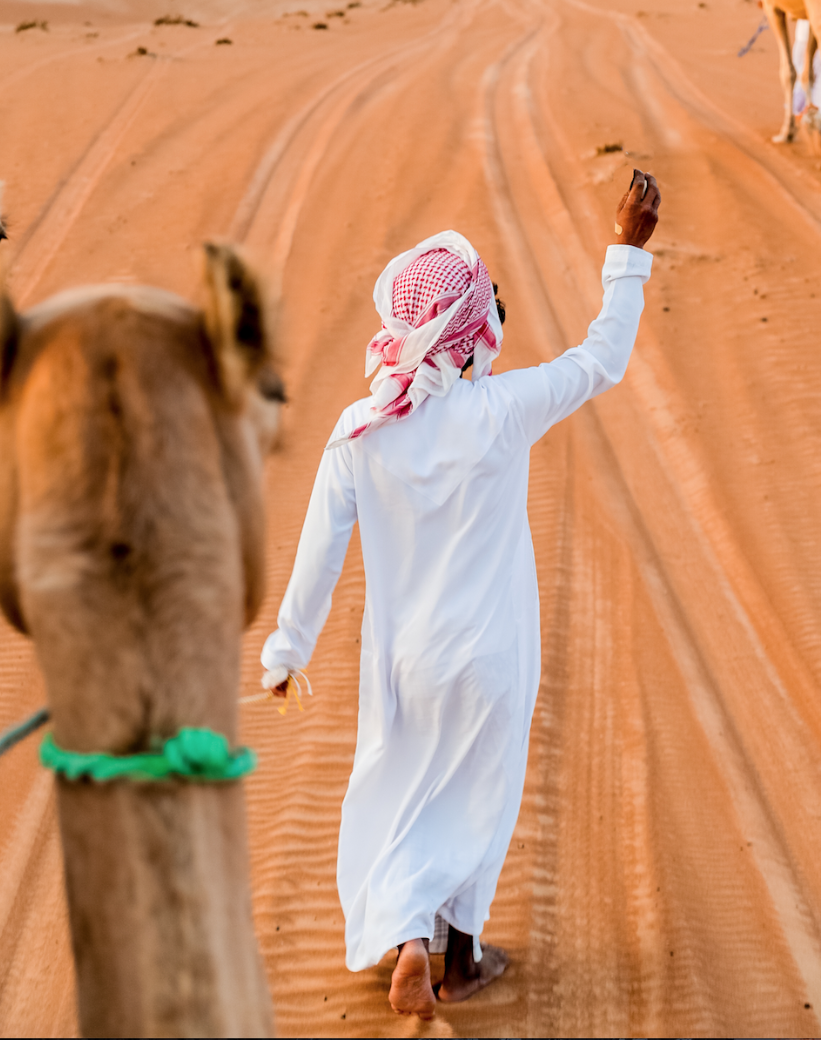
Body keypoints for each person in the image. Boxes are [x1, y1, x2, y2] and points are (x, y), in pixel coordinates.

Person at [261, 171, 661, 1020]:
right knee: (480, 791)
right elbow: (599, 361)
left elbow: (317, 555)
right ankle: (461, 957)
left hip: (401, 662)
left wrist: (285, 651)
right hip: (491, 656)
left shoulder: (357, 432)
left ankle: (410, 937)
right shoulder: (496, 412)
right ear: (472, 331)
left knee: (402, 790)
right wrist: (625, 252)